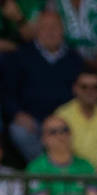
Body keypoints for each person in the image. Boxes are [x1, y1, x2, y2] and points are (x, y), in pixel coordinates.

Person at [3, 11, 86, 162]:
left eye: (55, 27)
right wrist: (17, 114)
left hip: (66, 121)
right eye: (44, 27)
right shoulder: (20, 56)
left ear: (63, 30)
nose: (50, 32)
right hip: (32, 121)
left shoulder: (75, 59)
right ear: (36, 30)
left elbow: (81, 93)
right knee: (19, 131)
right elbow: (6, 92)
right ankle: (45, 169)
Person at [54, 70, 97, 172]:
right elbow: (55, 151)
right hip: (69, 176)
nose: (89, 91)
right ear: (75, 88)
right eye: (84, 87)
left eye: (95, 87)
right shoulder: (62, 115)